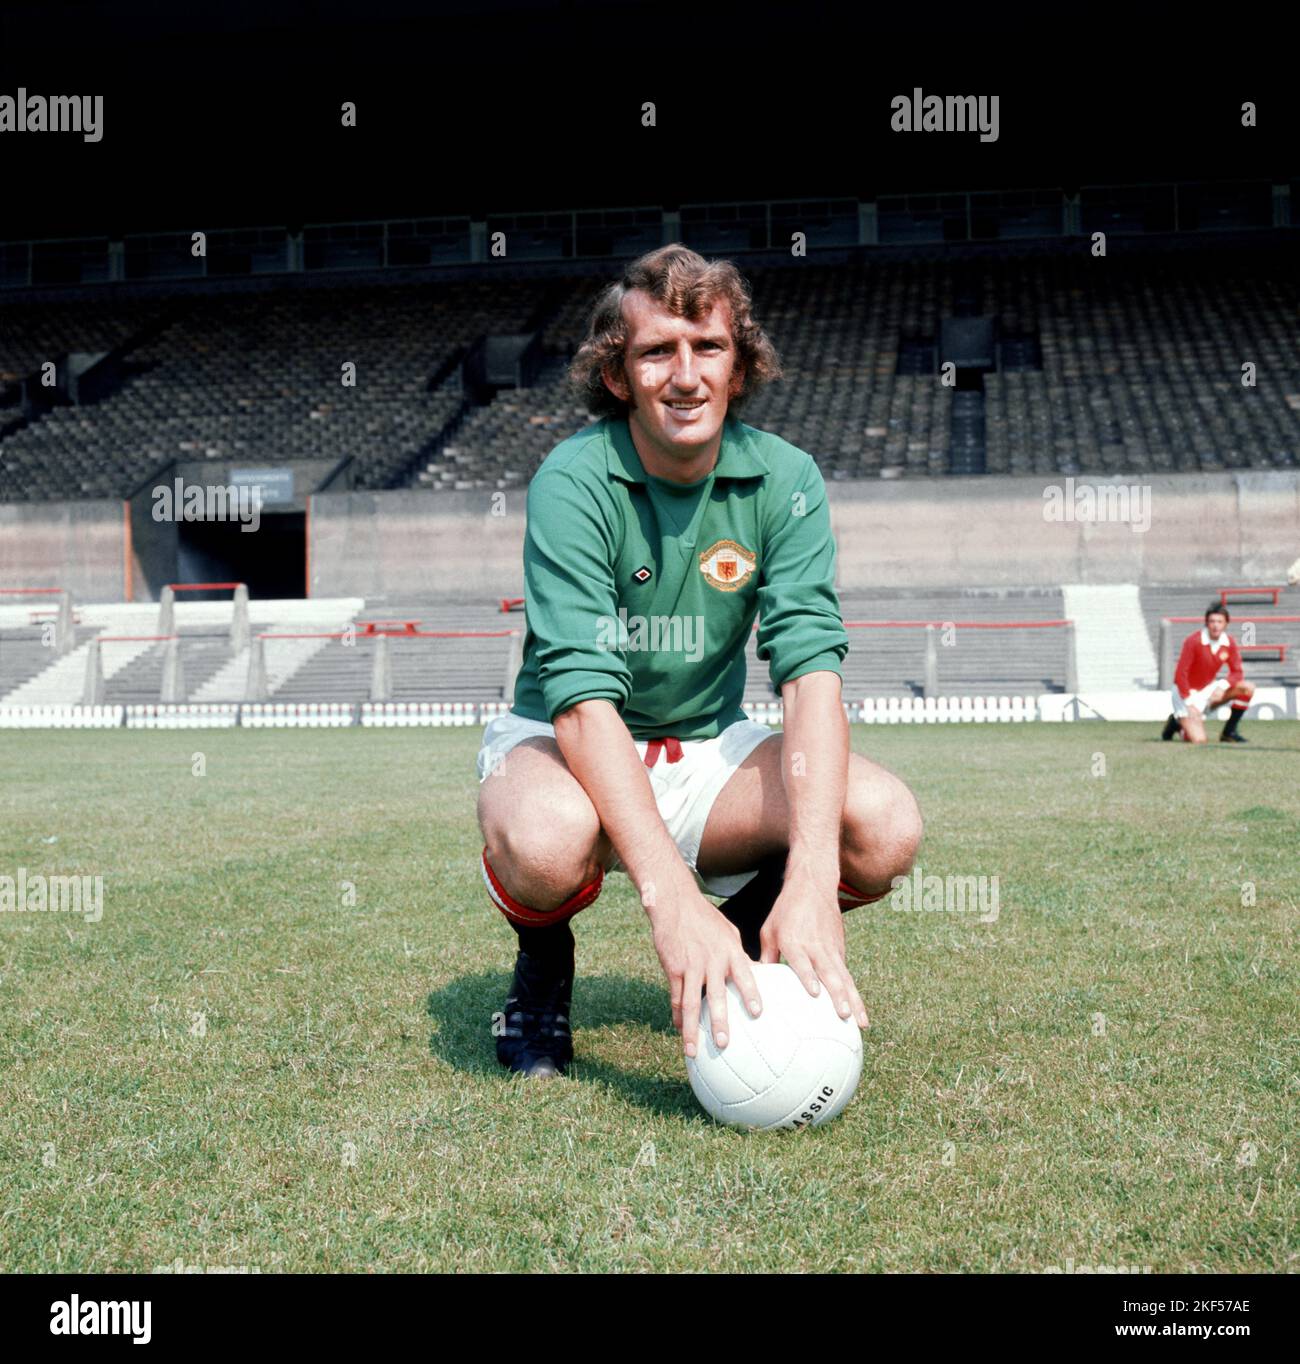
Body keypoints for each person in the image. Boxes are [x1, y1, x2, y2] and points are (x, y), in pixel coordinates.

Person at [475, 244, 923, 1078]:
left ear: (739, 363)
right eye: (656, 352)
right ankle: (542, 970)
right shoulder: (572, 479)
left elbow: (811, 674)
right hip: (566, 748)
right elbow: (578, 701)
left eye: (708, 348)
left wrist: (814, 880)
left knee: (885, 824)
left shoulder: (787, 478)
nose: (685, 376)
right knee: (544, 840)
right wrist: (671, 899)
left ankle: (750, 943)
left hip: (707, 751)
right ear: (618, 375)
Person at [1161, 604, 1254, 744]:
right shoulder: (1194, 641)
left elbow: (1237, 672)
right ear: (1206, 623)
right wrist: (1189, 702)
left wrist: (1222, 686)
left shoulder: (1228, 642)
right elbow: (1181, 674)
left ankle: (1229, 732)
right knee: (1199, 740)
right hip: (1185, 693)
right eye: (1212, 621)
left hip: (1207, 689)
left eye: (1219, 622)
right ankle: (1176, 722)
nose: (1216, 626)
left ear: (1226, 624)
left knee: (1247, 688)